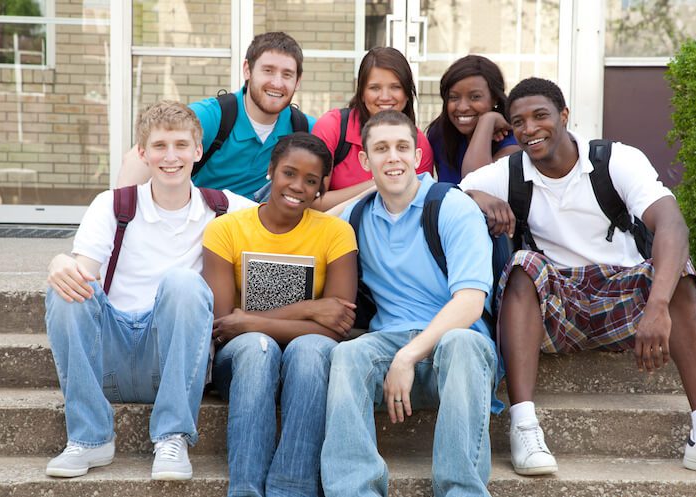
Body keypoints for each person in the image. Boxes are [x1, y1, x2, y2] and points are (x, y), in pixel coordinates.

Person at [460, 77, 696, 480]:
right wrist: (478, 197)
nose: (529, 129)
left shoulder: (616, 159)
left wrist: (658, 306)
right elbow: (450, 193)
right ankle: (524, 426)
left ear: (564, 116)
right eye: (518, 121)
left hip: (625, 296)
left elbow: (672, 225)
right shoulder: (511, 171)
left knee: (677, 269)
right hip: (560, 303)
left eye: (540, 116)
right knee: (522, 264)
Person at [44, 101, 254, 480]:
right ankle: (90, 438)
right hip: (111, 362)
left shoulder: (226, 209)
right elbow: (83, 275)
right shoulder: (112, 205)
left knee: (184, 282)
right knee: (67, 287)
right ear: (142, 153)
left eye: (180, 145)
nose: (170, 156)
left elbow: (294, 223)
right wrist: (60, 263)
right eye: (159, 146)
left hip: (174, 363)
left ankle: (172, 436)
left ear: (197, 151)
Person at [321, 110, 498, 497]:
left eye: (403, 147)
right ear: (365, 161)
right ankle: (355, 490)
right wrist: (373, 189)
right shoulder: (359, 214)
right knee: (347, 355)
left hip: (455, 353)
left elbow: (469, 303)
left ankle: (461, 491)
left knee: (462, 342)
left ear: (418, 155)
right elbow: (316, 227)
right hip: (389, 346)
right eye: (381, 150)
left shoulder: (452, 207)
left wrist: (408, 356)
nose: (394, 157)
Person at [202, 132, 358, 497]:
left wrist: (253, 320)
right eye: (289, 173)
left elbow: (337, 327)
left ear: (322, 187)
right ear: (271, 170)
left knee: (310, 349)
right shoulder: (227, 229)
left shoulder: (336, 233)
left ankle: (293, 487)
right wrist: (308, 309)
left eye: (311, 180)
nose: (297, 186)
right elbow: (224, 325)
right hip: (242, 362)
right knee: (258, 348)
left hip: (305, 366)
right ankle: (246, 490)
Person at [118, 32, 315, 198]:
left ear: (298, 81)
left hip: (258, 238)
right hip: (198, 231)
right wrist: (121, 223)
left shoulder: (304, 129)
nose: (277, 83)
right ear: (247, 70)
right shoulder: (212, 116)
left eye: (287, 74)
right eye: (268, 71)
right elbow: (136, 160)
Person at [311, 47, 434, 211]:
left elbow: (419, 208)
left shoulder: (418, 143)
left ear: (407, 93)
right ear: (361, 92)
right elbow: (313, 202)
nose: (384, 96)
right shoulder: (332, 126)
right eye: (374, 88)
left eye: (395, 87)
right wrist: (377, 184)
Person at [427, 55, 520, 183]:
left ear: (494, 98)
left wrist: (487, 121)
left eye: (475, 97)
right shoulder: (440, 134)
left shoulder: (514, 142)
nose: (463, 107)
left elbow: (478, 185)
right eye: (454, 97)